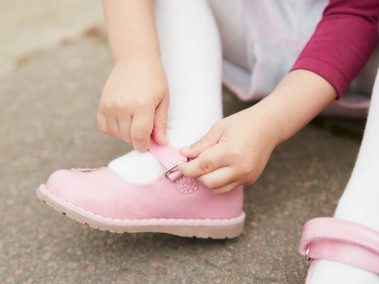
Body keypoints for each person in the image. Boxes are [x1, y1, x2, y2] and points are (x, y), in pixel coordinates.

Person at [36, 0, 379, 283]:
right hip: (260, 29)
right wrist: (135, 56)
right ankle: (187, 159)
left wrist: (269, 122)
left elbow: (359, 12)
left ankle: (365, 227)